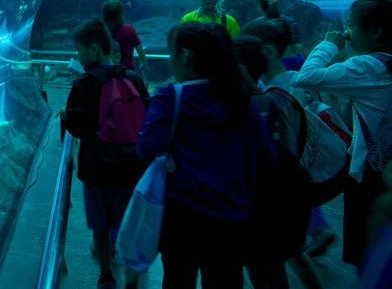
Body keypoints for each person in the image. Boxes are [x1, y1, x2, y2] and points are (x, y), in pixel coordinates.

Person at [137, 21, 275, 288]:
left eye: (172, 52)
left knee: (178, 279)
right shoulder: (241, 99)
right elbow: (266, 156)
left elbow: (146, 147)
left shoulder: (171, 97)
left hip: (181, 216)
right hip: (231, 216)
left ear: (185, 56)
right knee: (225, 281)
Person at [292, 0, 392, 269]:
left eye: (351, 25)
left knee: (368, 254)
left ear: (376, 31)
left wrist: (329, 44)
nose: (347, 31)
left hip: (372, 174)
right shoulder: (384, 63)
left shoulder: (368, 67)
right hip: (387, 169)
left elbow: (306, 77)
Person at [234, 28, 324, 289]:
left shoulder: (251, 106)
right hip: (284, 199)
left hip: (261, 205)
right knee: (280, 261)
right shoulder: (273, 98)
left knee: (265, 269)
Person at [62, 19, 149, 289]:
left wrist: (66, 116)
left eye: (80, 51)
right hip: (131, 168)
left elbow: (78, 126)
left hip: (97, 170)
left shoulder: (85, 83)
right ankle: (132, 278)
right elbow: (147, 116)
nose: (79, 57)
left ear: (94, 50)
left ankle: (106, 276)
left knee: (100, 226)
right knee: (129, 224)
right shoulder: (133, 78)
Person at [244, 0, 305, 70]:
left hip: (272, 66)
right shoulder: (290, 22)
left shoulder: (255, 26)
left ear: (259, 7)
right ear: (277, 4)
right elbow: (299, 47)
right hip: (294, 62)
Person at [103, 0, 149, 75]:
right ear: (121, 14)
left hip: (107, 72)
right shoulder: (129, 29)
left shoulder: (101, 31)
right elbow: (140, 51)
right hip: (127, 72)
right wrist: (144, 64)